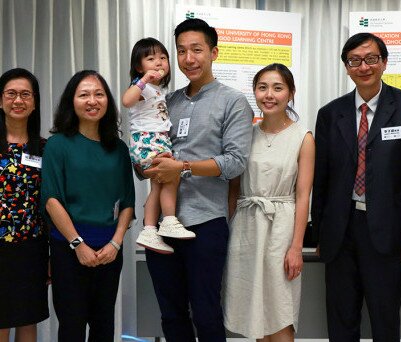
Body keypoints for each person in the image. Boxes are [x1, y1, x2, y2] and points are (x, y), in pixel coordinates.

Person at [311, 32, 401, 341]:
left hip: (387, 232)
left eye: (371, 59)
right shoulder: (329, 113)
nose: (363, 67)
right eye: (355, 61)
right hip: (340, 230)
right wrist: (321, 232)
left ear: (384, 62)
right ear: (347, 67)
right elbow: (320, 179)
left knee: (385, 319)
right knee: (341, 319)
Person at [142, 18, 253, 341]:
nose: (188, 58)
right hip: (162, 226)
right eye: (181, 51)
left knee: (206, 313)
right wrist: (146, 161)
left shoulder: (232, 101)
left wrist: (184, 167)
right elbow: (149, 149)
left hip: (205, 223)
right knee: (171, 314)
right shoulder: (168, 101)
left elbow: (235, 162)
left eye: (196, 50)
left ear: (214, 52)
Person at [41, 70, 135, 342]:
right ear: (72, 101)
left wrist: (115, 244)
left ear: (108, 101)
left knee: (104, 325)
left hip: (109, 251)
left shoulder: (118, 148)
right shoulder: (58, 144)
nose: (92, 100)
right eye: (84, 94)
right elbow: (51, 199)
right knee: (71, 326)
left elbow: (128, 202)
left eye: (99, 94)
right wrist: (77, 244)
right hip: (68, 250)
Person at [223, 63, 315, 341]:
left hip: (282, 228)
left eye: (278, 88)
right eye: (262, 87)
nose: (269, 94)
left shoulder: (303, 137)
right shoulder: (245, 134)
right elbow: (233, 189)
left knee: (280, 310)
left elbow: (303, 195)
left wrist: (296, 247)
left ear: (291, 93)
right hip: (246, 227)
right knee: (254, 313)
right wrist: (229, 230)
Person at [122, 37, 195, 254]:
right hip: (147, 139)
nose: (158, 62)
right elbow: (126, 101)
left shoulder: (158, 90)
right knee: (171, 176)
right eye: (151, 58)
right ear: (138, 66)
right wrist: (142, 80)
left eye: (163, 58)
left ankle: (150, 229)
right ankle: (169, 221)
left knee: (158, 184)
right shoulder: (142, 87)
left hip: (157, 139)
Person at [0, 68, 49, 342]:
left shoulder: (45, 149)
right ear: (0, 100)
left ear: (34, 102)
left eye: (25, 94)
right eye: (11, 94)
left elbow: (51, 204)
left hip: (32, 248)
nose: (18, 100)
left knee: (28, 320)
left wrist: (52, 256)